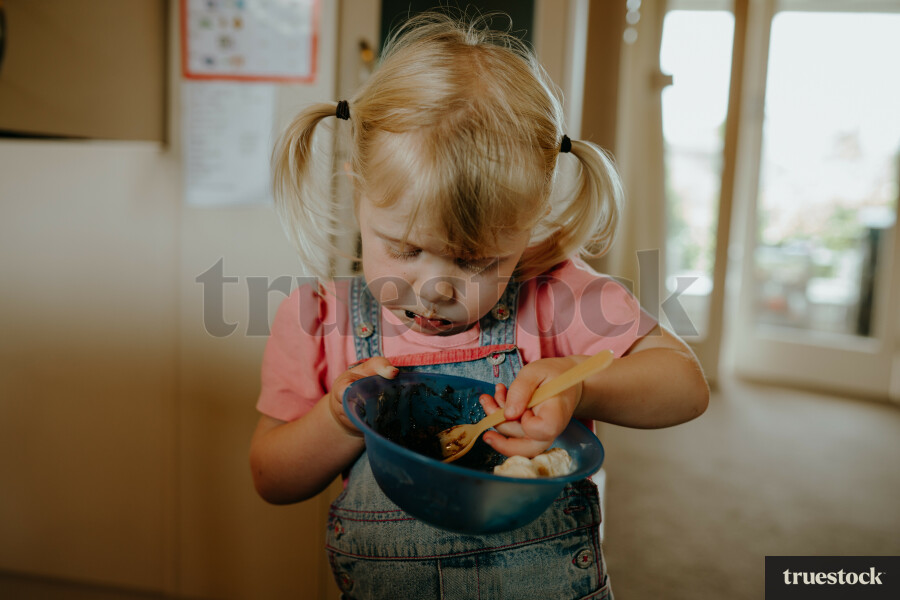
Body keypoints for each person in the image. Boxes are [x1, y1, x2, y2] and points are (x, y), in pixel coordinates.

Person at [250, 11, 708, 599]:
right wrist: (337, 419)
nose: (436, 288)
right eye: (406, 248)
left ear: (528, 225)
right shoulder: (317, 321)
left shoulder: (557, 295)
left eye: (473, 262)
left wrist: (580, 386)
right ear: (358, 187)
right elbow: (270, 476)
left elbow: (686, 387)